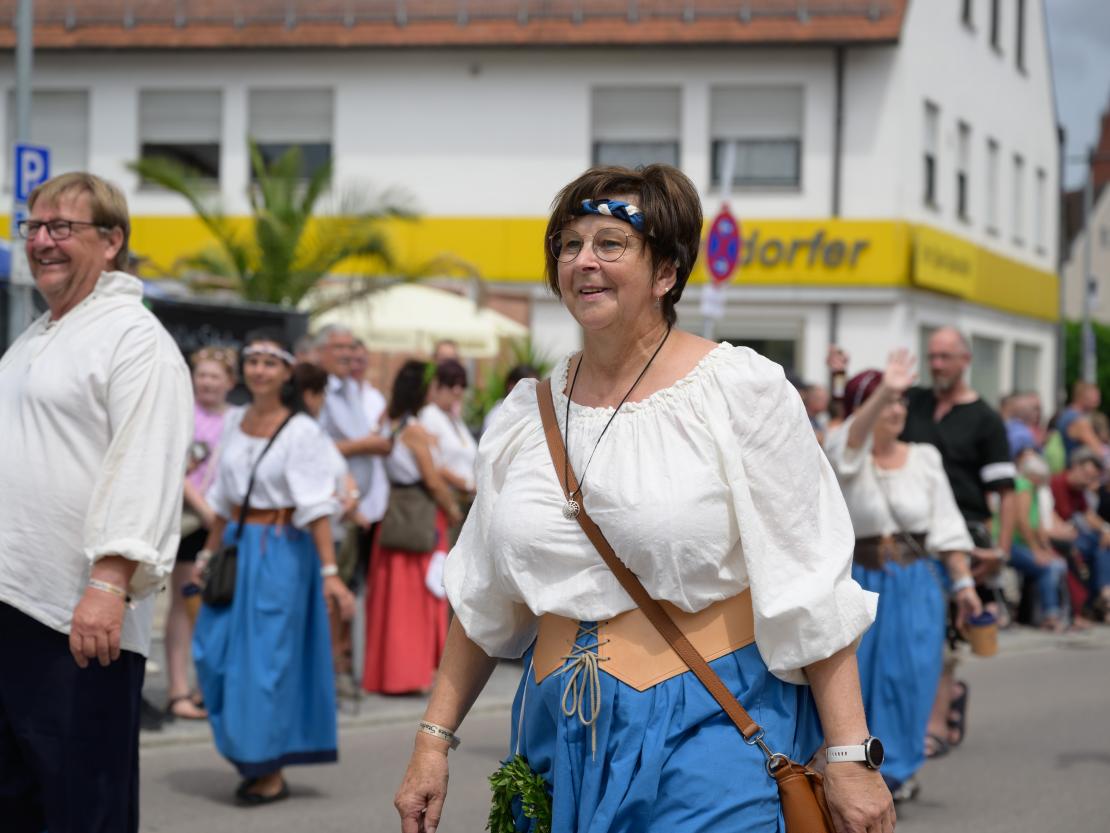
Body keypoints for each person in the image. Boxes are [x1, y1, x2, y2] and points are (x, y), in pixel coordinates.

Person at [395, 165, 893, 833]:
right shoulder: (525, 413)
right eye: (569, 244)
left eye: (610, 243)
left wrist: (850, 755)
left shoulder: (738, 389)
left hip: (706, 724)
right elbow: (484, 595)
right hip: (555, 735)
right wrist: (433, 739)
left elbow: (809, 581)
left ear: (665, 272)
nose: (583, 261)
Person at [0, 171, 192, 832]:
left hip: (79, 620)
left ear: (112, 241)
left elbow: (147, 461)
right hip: (13, 602)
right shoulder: (35, 338)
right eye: (34, 227)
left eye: (63, 227)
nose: (43, 241)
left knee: (83, 807)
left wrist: (109, 582)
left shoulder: (135, 339)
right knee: (18, 801)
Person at [191, 330, 356, 806]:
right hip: (238, 547)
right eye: (253, 360)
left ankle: (269, 766)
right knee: (214, 652)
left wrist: (329, 574)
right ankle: (251, 752)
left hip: (282, 550)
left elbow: (314, 509)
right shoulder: (236, 420)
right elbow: (222, 498)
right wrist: (208, 553)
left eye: (270, 361)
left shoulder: (301, 431)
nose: (259, 368)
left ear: (286, 372)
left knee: (266, 665)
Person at [825, 351, 980, 798]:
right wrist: (880, 392)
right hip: (861, 579)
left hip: (915, 582)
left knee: (911, 677)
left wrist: (965, 585)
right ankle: (864, 771)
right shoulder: (845, 453)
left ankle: (900, 769)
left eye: (901, 402)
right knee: (862, 680)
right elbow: (851, 440)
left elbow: (948, 527)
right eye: (885, 402)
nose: (896, 410)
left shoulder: (925, 457)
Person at [897, 327, 1015, 753]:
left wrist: (1000, 551)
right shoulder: (916, 403)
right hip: (911, 537)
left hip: (963, 537)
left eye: (946, 357)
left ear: (965, 360)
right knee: (911, 635)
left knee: (945, 638)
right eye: (933, 357)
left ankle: (933, 726)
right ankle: (931, 710)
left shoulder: (985, 419)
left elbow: (1006, 493)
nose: (937, 365)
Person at [363, 361, 463, 695]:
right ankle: (414, 671)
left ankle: (391, 672)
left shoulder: (391, 422)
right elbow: (432, 478)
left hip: (396, 512)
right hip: (420, 513)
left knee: (394, 597)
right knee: (423, 594)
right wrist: (451, 509)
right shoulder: (415, 430)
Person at [314, 325, 391, 690]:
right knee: (333, 591)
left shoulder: (351, 392)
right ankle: (328, 668)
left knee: (347, 591)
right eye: (339, 347)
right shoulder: (321, 391)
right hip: (330, 510)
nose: (347, 355)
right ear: (323, 351)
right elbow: (318, 449)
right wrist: (365, 445)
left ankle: (339, 663)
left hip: (356, 508)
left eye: (351, 348)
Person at [166, 345, 239, 722]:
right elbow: (175, 470)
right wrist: (209, 514)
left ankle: (205, 687)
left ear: (230, 381)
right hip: (191, 522)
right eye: (202, 375)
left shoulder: (237, 420)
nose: (207, 382)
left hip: (221, 522)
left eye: (215, 376)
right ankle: (178, 688)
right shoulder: (182, 414)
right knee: (184, 603)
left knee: (215, 607)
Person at [1008, 452, 1070, 631]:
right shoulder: (1023, 486)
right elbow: (1022, 522)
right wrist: (1036, 551)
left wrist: (1046, 548)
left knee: (1056, 563)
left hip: (1022, 544)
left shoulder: (1032, 490)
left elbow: (1038, 526)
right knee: (1048, 567)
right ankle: (1050, 614)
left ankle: (1052, 613)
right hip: (1011, 544)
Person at [1048, 447, 1110, 621]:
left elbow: (1088, 515)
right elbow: (1047, 514)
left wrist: (1106, 529)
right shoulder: (1056, 483)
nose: (1088, 480)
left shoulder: (1079, 491)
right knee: (1092, 546)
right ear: (1075, 466)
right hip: (1056, 536)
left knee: (1103, 543)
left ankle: (1105, 593)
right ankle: (1100, 598)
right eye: (1086, 474)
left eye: (1092, 477)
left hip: (1072, 535)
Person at [419, 359, 479, 508]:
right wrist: (469, 485)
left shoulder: (454, 419)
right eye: (452, 384)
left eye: (462, 385)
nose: (457, 390)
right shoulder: (430, 415)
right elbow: (434, 464)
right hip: (446, 501)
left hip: (466, 498)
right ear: (438, 385)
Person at [482, 363, 541, 435]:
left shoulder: (534, 413)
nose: (533, 393)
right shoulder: (497, 415)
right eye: (529, 387)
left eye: (536, 387)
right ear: (511, 386)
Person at [1055, 381, 1107, 461]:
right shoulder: (1077, 420)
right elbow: (1098, 450)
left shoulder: (1067, 414)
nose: (1098, 400)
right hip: (1077, 469)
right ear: (1082, 397)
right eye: (1095, 396)